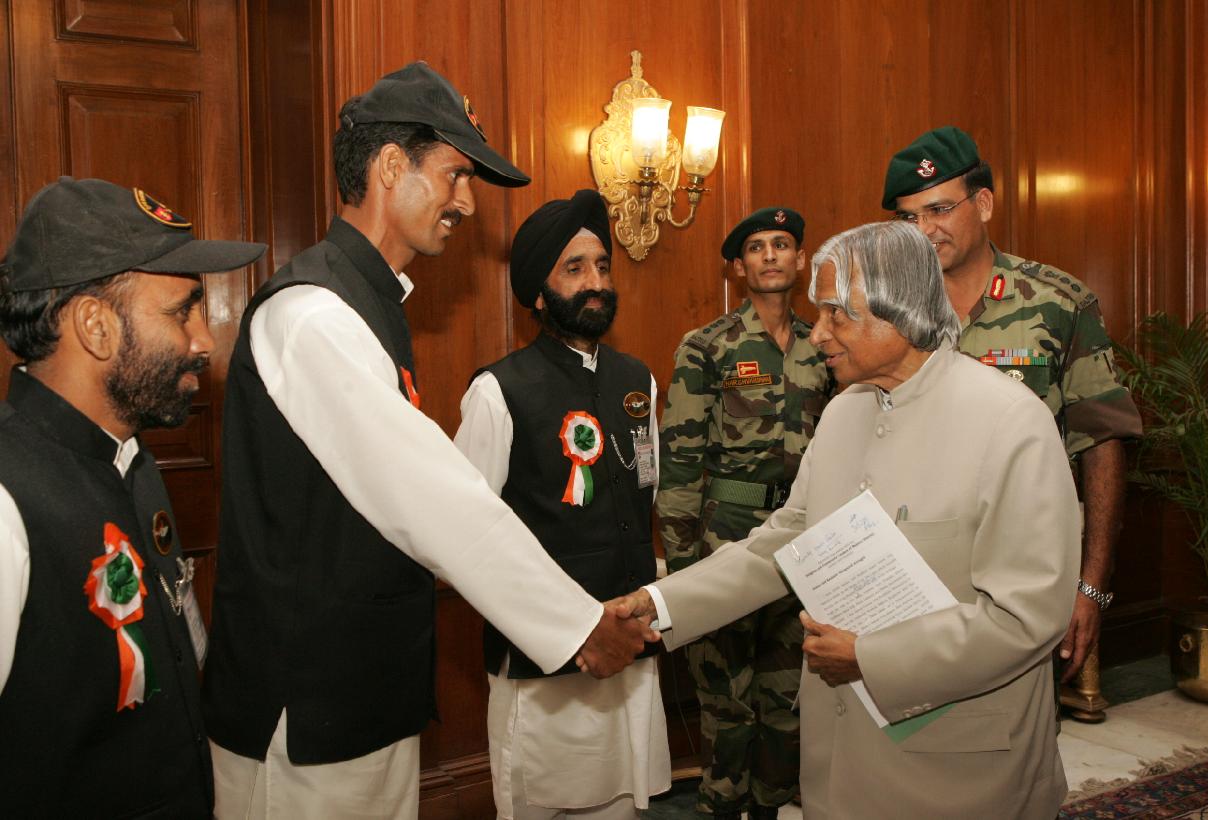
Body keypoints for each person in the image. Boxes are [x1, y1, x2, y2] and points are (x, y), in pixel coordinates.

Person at [202, 64, 653, 818]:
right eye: (455, 175)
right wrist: (576, 626)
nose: (467, 202)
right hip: (305, 706)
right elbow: (433, 497)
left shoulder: (366, 305)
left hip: (363, 694)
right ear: (390, 167)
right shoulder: (313, 314)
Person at [623, 221, 1082, 818]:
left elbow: (1026, 618)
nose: (819, 334)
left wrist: (870, 658)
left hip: (961, 775)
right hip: (840, 765)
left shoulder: (1011, 422)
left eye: (837, 314)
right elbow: (783, 543)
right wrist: (658, 604)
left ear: (901, 310)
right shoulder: (844, 413)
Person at [0, 177, 266, 817]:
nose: (204, 340)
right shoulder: (7, 498)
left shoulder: (132, 460)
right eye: (181, 312)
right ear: (96, 326)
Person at [881, 126, 1141, 684]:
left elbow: (1101, 443)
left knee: (1020, 725)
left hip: (1025, 573)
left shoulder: (1057, 303)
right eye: (908, 218)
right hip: (913, 569)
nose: (923, 231)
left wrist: (1092, 586)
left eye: (939, 209)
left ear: (984, 203)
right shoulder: (885, 316)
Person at [454, 189, 671, 819]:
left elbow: (646, 493)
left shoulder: (637, 380)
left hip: (629, 642)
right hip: (546, 658)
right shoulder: (497, 390)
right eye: (574, 269)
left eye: (602, 266)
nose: (596, 283)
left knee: (624, 805)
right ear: (539, 294)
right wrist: (563, 629)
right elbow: (465, 537)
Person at [655, 207, 831, 818]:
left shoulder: (825, 345)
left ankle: (773, 806)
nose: (771, 255)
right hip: (726, 537)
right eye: (756, 247)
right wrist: (684, 570)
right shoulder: (707, 346)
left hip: (803, 539)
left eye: (782, 244)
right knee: (727, 703)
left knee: (788, 701)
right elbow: (680, 463)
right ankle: (722, 807)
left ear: (801, 259)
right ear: (738, 267)